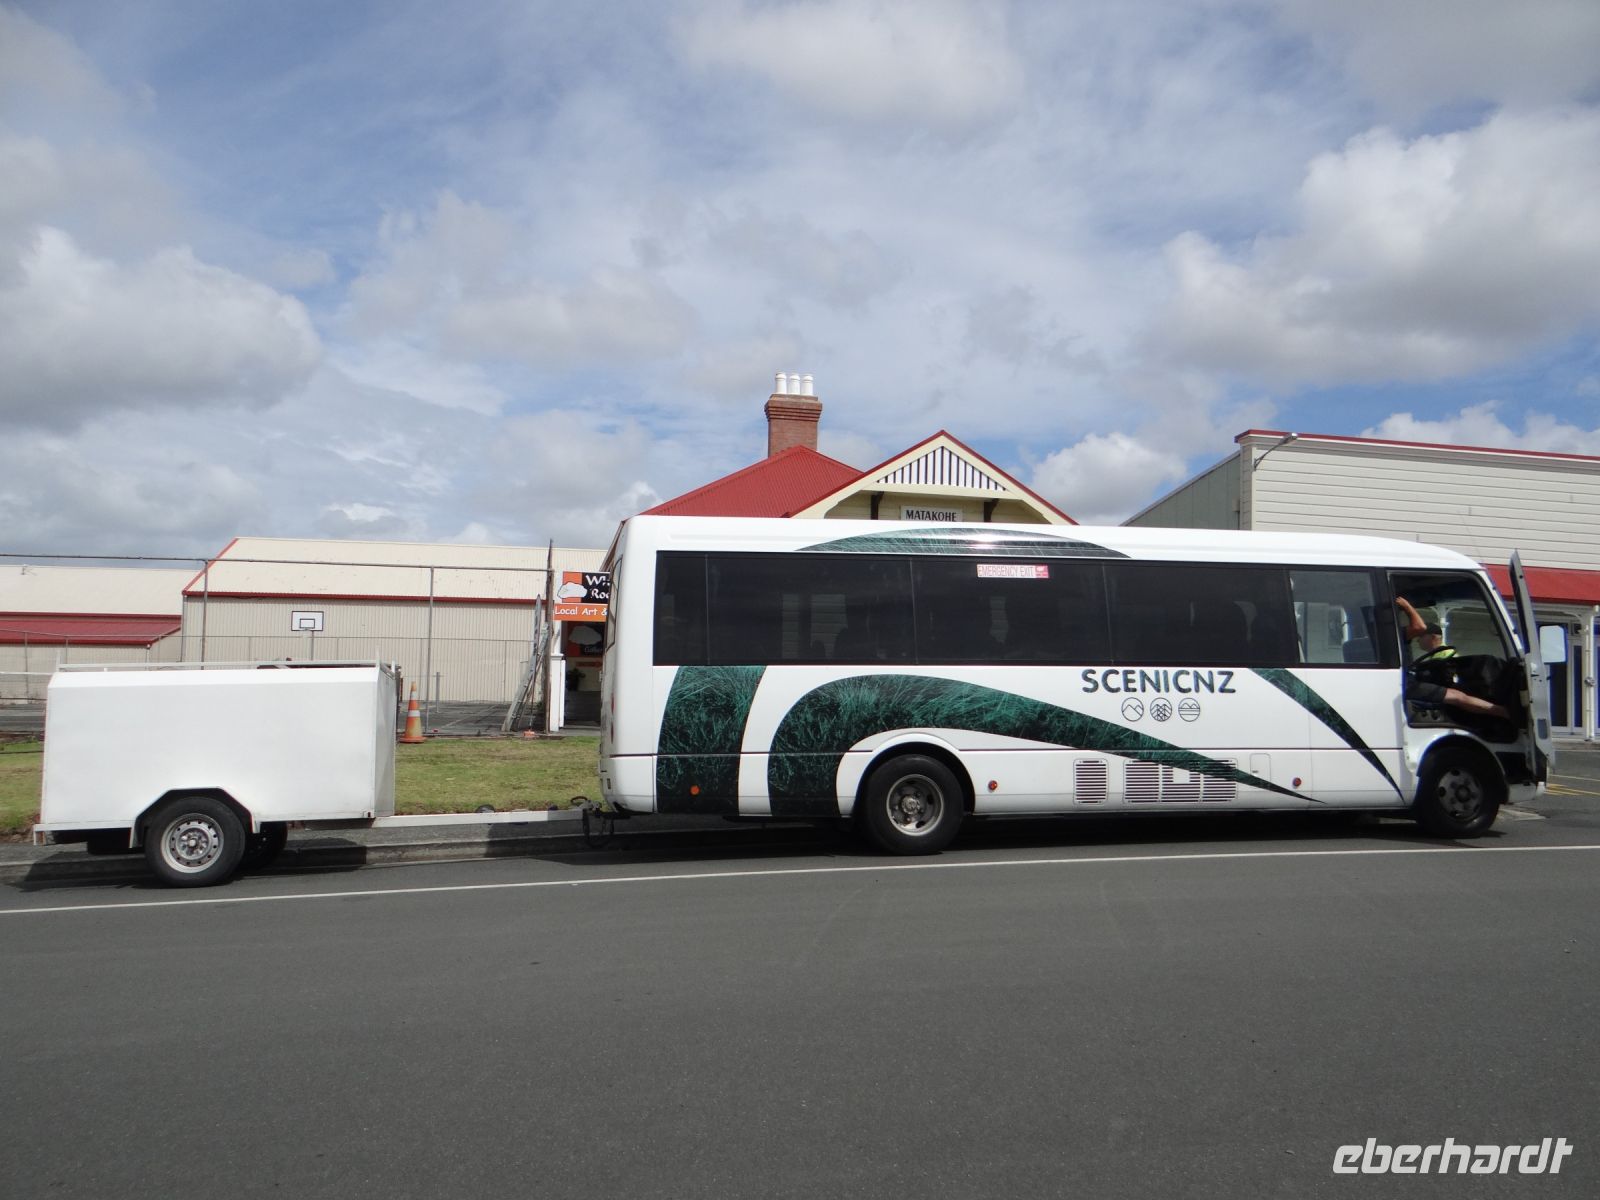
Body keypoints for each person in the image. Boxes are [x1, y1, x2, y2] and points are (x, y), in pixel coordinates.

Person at [1395, 596, 1510, 720]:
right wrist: (1406, 605)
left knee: (1457, 696)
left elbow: (1453, 677)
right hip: (1406, 685)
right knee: (1457, 697)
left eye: (1421, 637)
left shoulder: (1447, 654)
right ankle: (1507, 713)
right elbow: (1419, 627)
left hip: (1416, 684)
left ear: (1433, 637)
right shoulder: (1396, 637)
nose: (1417, 640)